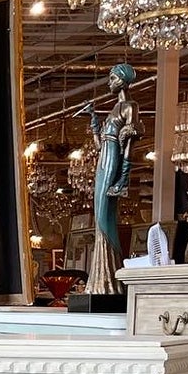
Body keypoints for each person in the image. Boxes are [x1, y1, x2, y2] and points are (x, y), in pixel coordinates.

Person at [85, 62, 138, 295]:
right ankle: (99, 279)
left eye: (113, 78)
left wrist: (123, 178)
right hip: (103, 161)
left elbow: (129, 144)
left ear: (123, 80)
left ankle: (109, 279)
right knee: (98, 217)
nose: (110, 83)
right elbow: (99, 146)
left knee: (105, 217)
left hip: (113, 160)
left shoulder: (129, 106)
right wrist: (94, 121)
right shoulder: (112, 111)